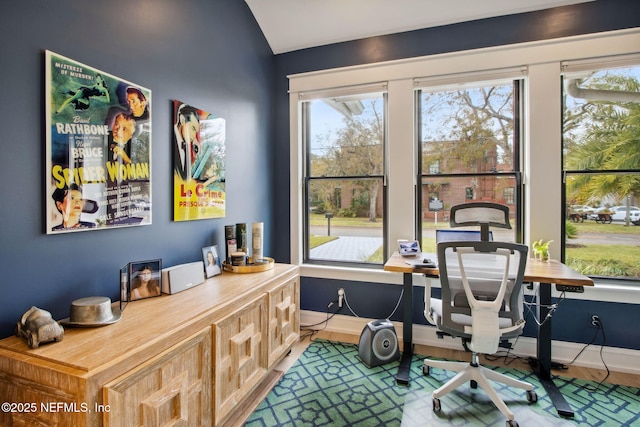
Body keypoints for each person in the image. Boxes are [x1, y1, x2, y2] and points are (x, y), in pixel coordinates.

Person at [173, 104, 200, 180]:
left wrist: (196, 156)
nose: (194, 136)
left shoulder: (187, 146)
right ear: (182, 120)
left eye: (196, 132)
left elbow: (185, 180)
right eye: (193, 128)